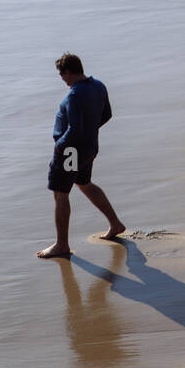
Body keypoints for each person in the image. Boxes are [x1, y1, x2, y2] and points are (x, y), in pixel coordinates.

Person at [37, 53, 125, 256]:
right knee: (84, 183)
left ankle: (61, 245)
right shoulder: (98, 86)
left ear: (67, 72)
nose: (63, 80)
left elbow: (74, 129)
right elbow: (107, 115)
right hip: (89, 146)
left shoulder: (75, 95)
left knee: (60, 194)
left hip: (70, 151)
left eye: (62, 75)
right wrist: (90, 131)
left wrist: (60, 145)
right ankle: (115, 224)